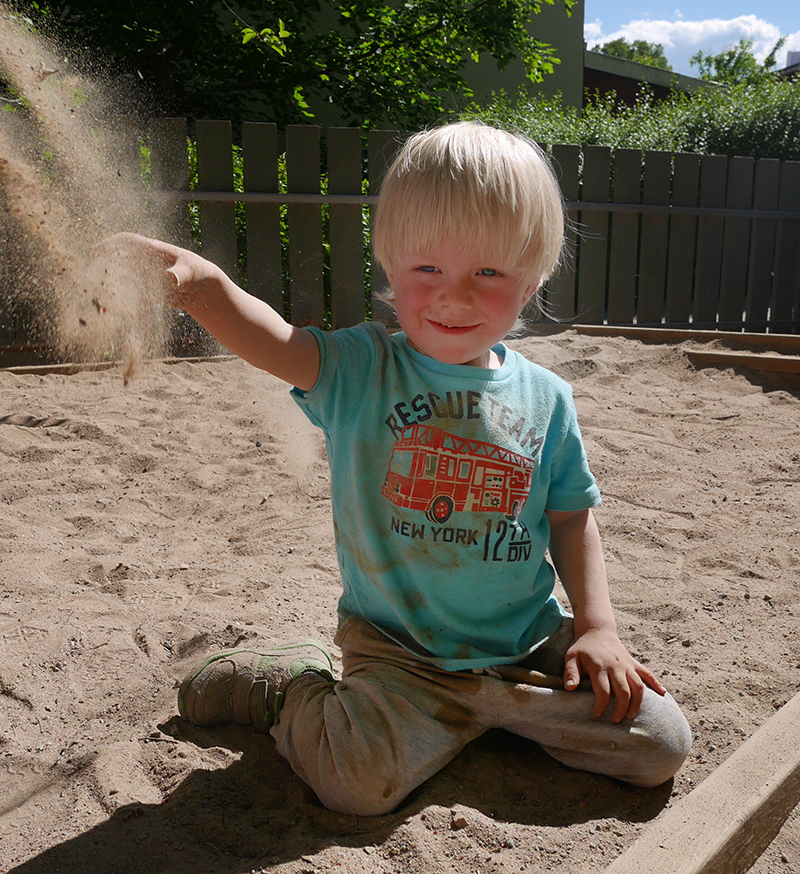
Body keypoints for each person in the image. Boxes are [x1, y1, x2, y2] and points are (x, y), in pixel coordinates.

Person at [115, 121, 692, 816]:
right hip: (400, 659)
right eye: (428, 270)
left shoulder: (548, 398)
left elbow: (571, 516)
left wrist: (597, 627)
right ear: (390, 268)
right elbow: (276, 342)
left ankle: (487, 718)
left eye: (488, 272)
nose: (455, 297)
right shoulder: (362, 370)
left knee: (660, 743)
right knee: (354, 785)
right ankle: (296, 684)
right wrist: (204, 288)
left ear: (532, 278)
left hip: (525, 645)